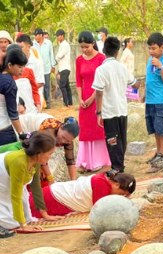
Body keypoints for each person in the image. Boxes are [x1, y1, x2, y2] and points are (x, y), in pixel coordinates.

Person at [0, 131, 55, 234]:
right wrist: (24, 226)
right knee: (11, 224)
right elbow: (16, 195)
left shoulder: (35, 161)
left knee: (21, 221)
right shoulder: (19, 162)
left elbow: (32, 187)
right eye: (49, 154)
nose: (50, 157)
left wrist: (40, 215)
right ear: (39, 153)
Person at [93, 37, 136, 173]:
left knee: (112, 139)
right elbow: (135, 83)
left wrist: (98, 112)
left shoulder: (101, 70)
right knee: (122, 139)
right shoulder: (122, 67)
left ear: (104, 50)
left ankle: (117, 168)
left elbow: (99, 92)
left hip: (109, 111)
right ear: (117, 52)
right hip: (122, 109)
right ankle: (119, 166)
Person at [28, 169, 136, 218]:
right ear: (117, 184)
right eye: (120, 194)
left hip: (53, 194)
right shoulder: (101, 184)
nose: (118, 197)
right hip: (53, 198)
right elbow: (101, 209)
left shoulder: (104, 180)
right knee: (27, 211)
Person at [76, 31, 110, 172]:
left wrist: (92, 98)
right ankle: (85, 161)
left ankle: (99, 160)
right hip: (84, 98)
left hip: (97, 97)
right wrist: (80, 98)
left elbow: (103, 82)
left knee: (97, 127)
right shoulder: (79, 60)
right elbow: (78, 81)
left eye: (87, 46)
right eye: (82, 47)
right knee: (85, 129)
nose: (84, 49)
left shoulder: (101, 58)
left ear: (93, 44)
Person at [0, 46, 28, 153]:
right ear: (9, 65)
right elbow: (13, 114)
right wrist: (22, 134)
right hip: (2, 131)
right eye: (19, 67)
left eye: (23, 66)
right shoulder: (9, 83)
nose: (22, 70)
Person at [144, 33, 163, 172]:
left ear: (162, 47)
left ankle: (162, 155)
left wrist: (161, 67)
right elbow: (149, 79)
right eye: (150, 48)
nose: (151, 51)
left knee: (162, 128)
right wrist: (145, 94)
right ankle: (158, 152)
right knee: (155, 128)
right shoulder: (150, 60)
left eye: (154, 48)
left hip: (161, 100)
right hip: (150, 100)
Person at [15, 36, 44, 112]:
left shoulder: (37, 63)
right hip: (20, 103)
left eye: (21, 47)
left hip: (34, 102)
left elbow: (40, 82)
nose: (19, 50)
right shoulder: (14, 65)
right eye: (17, 47)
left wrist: (26, 87)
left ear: (28, 47)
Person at [33, 28, 55, 108]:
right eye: (35, 35)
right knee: (39, 86)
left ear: (41, 35)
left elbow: (51, 54)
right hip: (37, 69)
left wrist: (53, 65)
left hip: (46, 68)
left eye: (37, 35)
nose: (35, 37)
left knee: (47, 86)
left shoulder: (48, 43)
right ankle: (40, 103)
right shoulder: (33, 44)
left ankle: (48, 103)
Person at [55, 29, 73, 106]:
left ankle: (66, 103)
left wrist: (56, 58)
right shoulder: (61, 44)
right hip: (62, 68)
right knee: (66, 85)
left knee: (62, 85)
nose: (57, 37)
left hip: (65, 68)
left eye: (58, 36)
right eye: (57, 36)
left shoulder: (65, 44)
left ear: (62, 36)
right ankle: (70, 102)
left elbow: (59, 55)